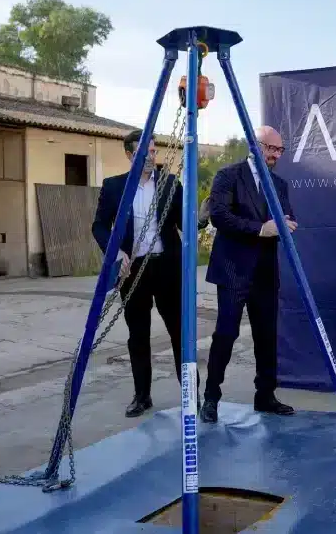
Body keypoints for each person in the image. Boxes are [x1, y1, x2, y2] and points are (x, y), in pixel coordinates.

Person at [91, 129, 197, 418]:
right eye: (143, 152)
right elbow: (99, 226)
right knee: (138, 334)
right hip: (132, 268)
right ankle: (142, 395)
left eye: (153, 151)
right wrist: (116, 252)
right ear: (129, 154)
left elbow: (188, 223)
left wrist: (202, 215)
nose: (151, 156)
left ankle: (191, 395)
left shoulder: (170, 184)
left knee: (179, 331)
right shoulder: (114, 187)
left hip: (166, 266)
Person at [200, 126, 297, 423]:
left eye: (280, 150)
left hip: (266, 272)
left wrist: (286, 224)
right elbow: (219, 215)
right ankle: (211, 398)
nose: (275, 155)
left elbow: (288, 215)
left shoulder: (279, 184)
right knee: (226, 334)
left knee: (266, 337)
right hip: (233, 270)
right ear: (255, 146)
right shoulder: (228, 176)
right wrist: (260, 229)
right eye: (271, 149)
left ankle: (265, 396)